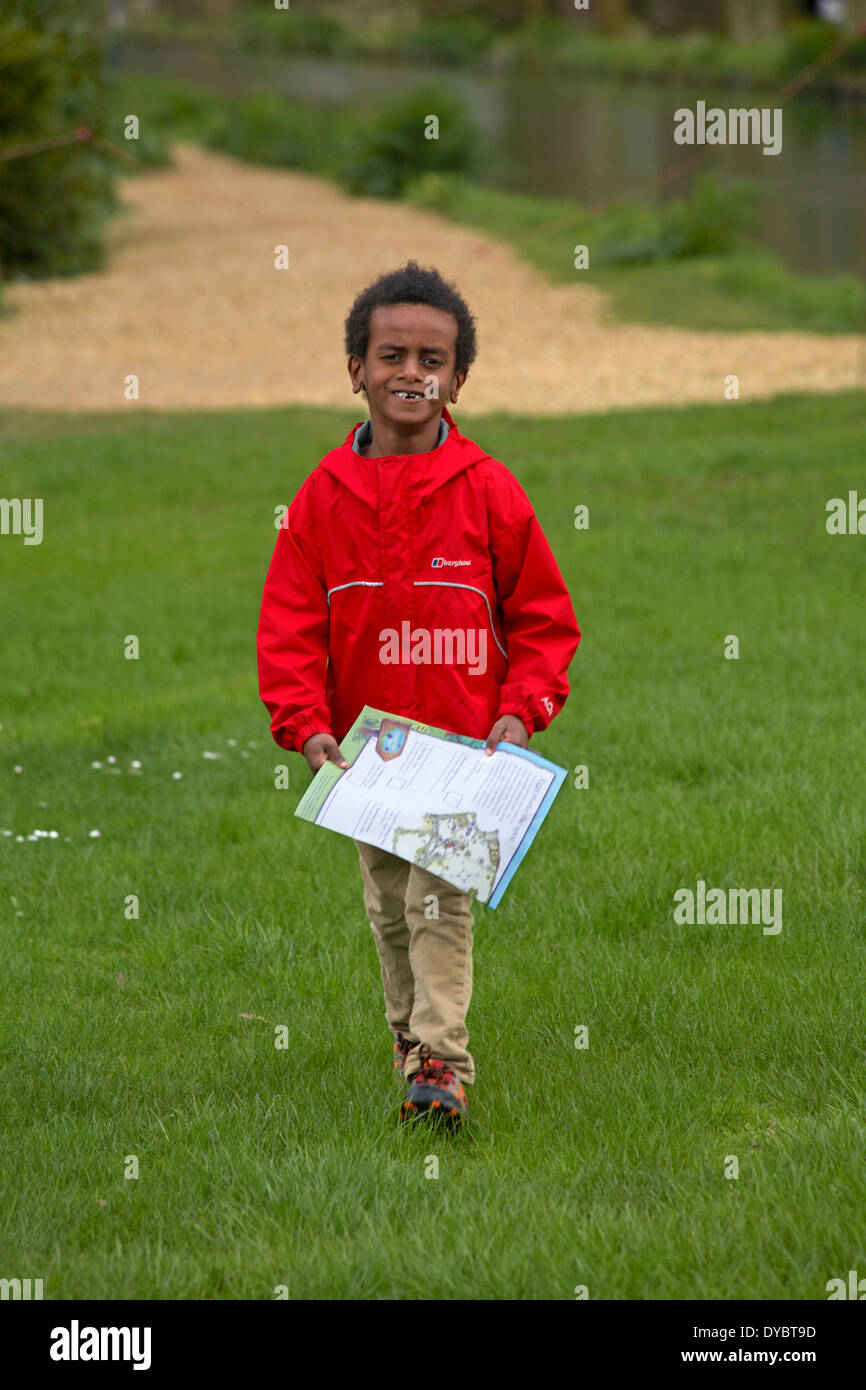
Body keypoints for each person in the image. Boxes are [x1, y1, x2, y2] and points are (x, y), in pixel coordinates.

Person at [257, 261, 581, 1127]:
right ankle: (411, 1043)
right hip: (367, 753)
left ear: (458, 379)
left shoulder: (490, 492)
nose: (411, 371)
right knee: (388, 903)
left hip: (464, 752)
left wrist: (522, 710)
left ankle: (442, 1060)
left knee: (439, 901)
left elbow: (546, 620)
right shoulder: (320, 500)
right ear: (355, 369)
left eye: (431, 358)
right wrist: (307, 727)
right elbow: (290, 626)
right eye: (391, 353)